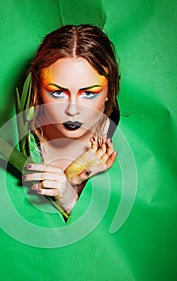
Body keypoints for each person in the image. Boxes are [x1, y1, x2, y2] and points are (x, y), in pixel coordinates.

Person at [22, 24, 120, 216]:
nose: (72, 110)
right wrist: (71, 178)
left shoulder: (121, 135)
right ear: (39, 89)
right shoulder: (22, 139)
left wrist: (68, 194)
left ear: (109, 91)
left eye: (89, 93)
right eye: (57, 92)